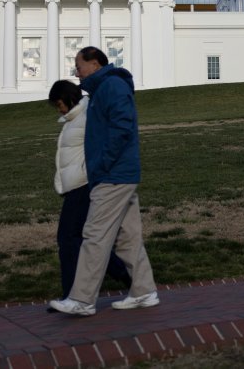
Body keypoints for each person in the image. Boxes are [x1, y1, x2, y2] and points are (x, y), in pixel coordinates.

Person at [48, 47, 160, 316]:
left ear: (95, 64)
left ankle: (82, 300)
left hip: (113, 175)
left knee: (95, 236)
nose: (76, 71)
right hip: (116, 173)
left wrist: (102, 164)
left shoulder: (111, 86)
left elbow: (123, 126)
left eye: (79, 65)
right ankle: (145, 291)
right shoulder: (100, 91)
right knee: (127, 238)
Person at [48, 80, 132, 304]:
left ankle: (72, 295)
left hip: (84, 185)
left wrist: (90, 173)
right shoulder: (75, 118)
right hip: (75, 186)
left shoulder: (88, 116)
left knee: (68, 239)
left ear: (69, 98)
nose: (59, 109)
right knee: (87, 240)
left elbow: (104, 144)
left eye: (59, 104)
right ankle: (126, 275)